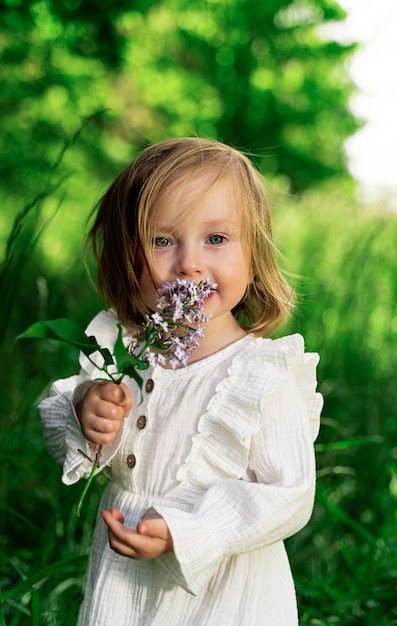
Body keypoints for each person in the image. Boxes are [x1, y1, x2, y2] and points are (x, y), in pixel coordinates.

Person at [39, 137, 323, 626]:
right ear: (129, 257)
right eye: (163, 241)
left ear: (252, 253)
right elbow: (67, 426)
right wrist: (85, 408)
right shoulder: (122, 350)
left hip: (223, 590)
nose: (189, 263)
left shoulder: (262, 372)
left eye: (216, 239)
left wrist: (192, 531)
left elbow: (290, 493)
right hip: (124, 577)